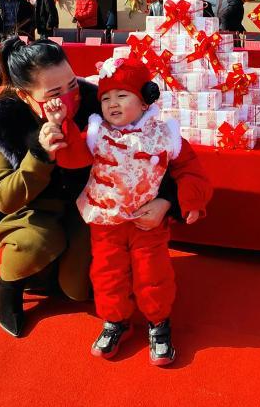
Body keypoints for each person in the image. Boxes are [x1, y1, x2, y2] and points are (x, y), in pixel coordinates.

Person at [0, 38, 184, 338]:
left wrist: (167, 200)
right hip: (34, 210)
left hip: (88, 207)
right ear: (25, 96)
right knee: (35, 243)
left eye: (72, 84)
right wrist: (40, 155)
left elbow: (153, 152)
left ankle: (52, 275)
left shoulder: (98, 103)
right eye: (54, 93)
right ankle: (10, 285)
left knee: (79, 290)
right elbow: (2, 199)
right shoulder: (8, 124)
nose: (69, 97)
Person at [43, 57, 211, 364]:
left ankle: (158, 322)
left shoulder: (166, 134)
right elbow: (73, 158)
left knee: (152, 273)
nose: (112, 104)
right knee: (107, 274)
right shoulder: (96, 133)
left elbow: (190, 170)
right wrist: (61, 124)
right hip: (105, 221)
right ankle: (115, 320)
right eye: (106, 98)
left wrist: (189, 200)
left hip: (148, 224)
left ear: (145, 100)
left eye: (122, 95)